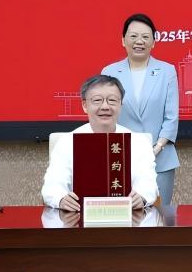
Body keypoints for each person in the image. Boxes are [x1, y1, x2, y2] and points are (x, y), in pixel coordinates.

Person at [41, 75, 158, 211]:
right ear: (85, 105)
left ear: (121, 105)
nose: (105, 106)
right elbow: (53, 184)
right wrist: (61, 199)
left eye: (112, 100)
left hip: (127, 216)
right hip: (78, 217)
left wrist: (142, 197)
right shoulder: (68, 142)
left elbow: (148, 183)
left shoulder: (138, 142)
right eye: (97, 100)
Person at [102, 14, 179, 205]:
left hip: (159, 158)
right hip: (119, 157)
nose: (139, 41)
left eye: (145, 37)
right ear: (123, 40)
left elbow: (171, 117)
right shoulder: (109, 72)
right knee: (121, 214)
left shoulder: (167, 71)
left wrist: (157, 148)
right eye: (133, 36)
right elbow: (105, 116)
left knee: (159, 214)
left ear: (154, 42)